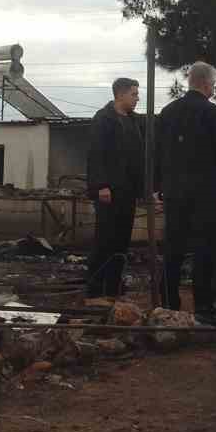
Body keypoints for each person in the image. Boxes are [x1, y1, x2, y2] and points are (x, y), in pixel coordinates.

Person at [155, 62, 216, 324]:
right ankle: (203, 307)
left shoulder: (168, 112)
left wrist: (160, 186)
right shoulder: (214, 114)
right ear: (207, 83)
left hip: (174, 192)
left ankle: (169, 303)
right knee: (205, 250)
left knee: (173, 249)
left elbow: (155, 152)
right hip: (205, 193)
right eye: (213, 84)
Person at [86, 77, 143, 298]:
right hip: (109, 192)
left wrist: (144, 189)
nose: (137, 98)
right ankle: (95, 290)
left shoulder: (134, 121)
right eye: (134, 94)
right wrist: (101, 185)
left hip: (128, 191)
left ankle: (113, 287)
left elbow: (139, 157)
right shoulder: (104, 119)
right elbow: (96, 154)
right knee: (105, 241)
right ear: (120, 94)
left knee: (122, 241)